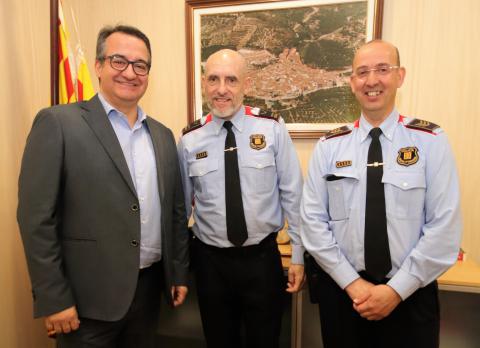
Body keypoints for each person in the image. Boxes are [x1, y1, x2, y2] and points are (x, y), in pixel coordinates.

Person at [17, 25, 189, 347]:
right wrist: (54, 297)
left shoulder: (163, 135)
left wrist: (177, 273)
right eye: (118, 61)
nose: (130, 72)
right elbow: (36, 219)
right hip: (84, 305)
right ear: (98, 66)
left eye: (141, 65)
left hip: (149, 293)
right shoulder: (58, 123)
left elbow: (175, 213)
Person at [301, 39, 462, 348]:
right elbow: (313, 223)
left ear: (400, 76)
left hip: (410, 296)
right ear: (351, 83)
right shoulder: (329, 146)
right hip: (345, 296)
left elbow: (444, 227)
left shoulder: (430, 141)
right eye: (362, 72)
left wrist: (395, 291)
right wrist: (353, 284)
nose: (372, 80)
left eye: (382, 69)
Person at [177, 49, 305, 348]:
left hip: (261, 260)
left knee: (266, 341)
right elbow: (180, 209)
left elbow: (294, 196)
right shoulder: (189, 139)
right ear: (204, 84)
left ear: (245, 85)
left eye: (231, 80)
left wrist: (298, 255)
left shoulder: (272, 129)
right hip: (210, 263)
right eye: (214, 79)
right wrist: (177, 268)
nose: (222, 89)